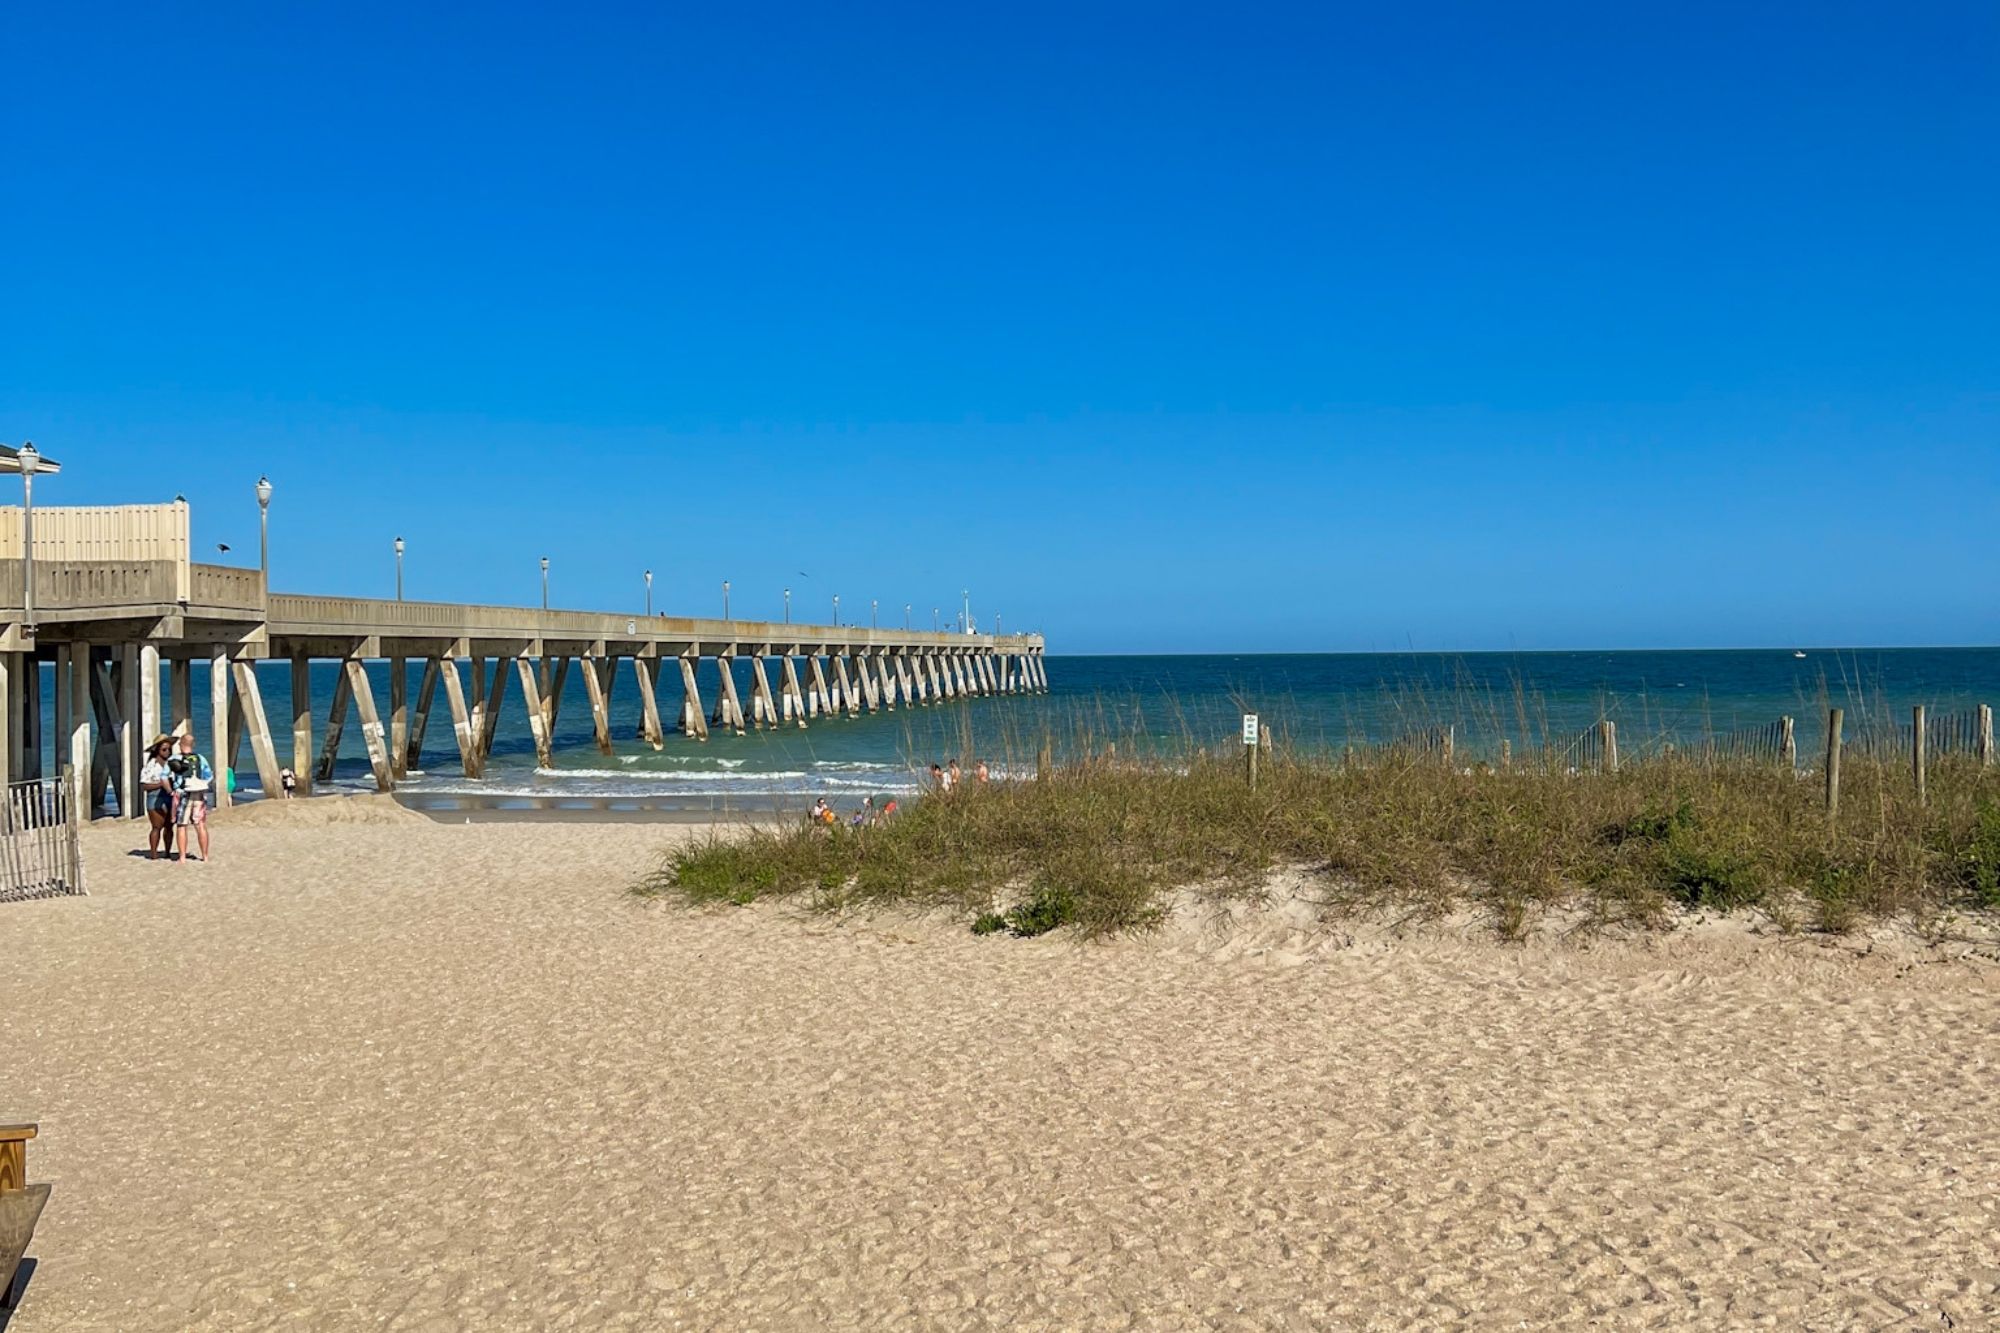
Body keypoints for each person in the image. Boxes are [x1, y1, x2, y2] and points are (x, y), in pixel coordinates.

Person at [170, 733, 216, 864]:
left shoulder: (175, 758)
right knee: (200, 824)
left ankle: (183, 857)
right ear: (193, 745)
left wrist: (172, 789)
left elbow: (166, 776)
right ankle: (205, 856)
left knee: (182, 825)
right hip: (199, 793)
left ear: (180, 744)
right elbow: (208, 775)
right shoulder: (200, 758)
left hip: (183, 792)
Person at [139, 736, 176, 860]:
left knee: (169, 826)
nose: (167, 752)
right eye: (164, 749)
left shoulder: (173, 763)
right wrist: (161, 784)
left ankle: (167, 851)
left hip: (170, 796)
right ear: (157, 750)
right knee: (156, 827)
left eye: (169, 749)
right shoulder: (151, 765)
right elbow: (144, 785)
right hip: (155, 796)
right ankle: (154, 854)